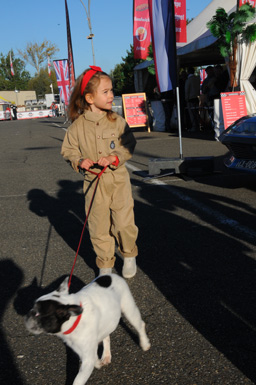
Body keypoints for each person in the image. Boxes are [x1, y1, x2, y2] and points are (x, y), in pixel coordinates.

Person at [61, 66, 138, 278]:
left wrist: (116, 157)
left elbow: (129, 144)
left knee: (123, 222)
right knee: (98, 225)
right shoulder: (77, 126)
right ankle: (105, 264)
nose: (111, 95)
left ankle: (129, 254)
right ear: (89, 97)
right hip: (93, 182)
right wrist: (79, 160)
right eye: (106, 92)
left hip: (118, 180)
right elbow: (68, 150)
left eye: (111, 90)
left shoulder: (118, 121)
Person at [185, 67, 200, 132]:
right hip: (196, 97)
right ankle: (198, 126)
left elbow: (186, 90)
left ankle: (194, 127)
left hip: (190, 98)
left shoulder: (188, 80)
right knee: (196, 113)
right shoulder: (197, 79)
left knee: (192, 114)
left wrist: (186, 98)